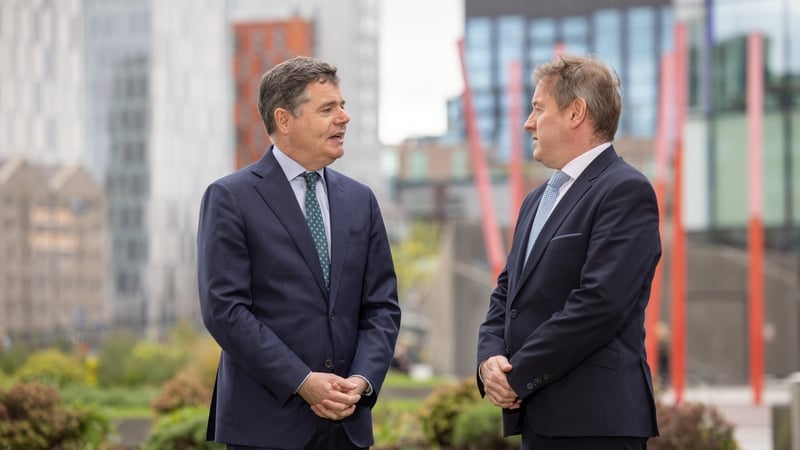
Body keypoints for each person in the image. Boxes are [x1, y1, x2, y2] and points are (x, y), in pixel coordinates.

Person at [197, 56, 401, 450]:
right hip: (265, 427)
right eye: (328, 109)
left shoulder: (361, 200)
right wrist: (302, 382)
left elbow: (382, 308)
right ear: (284, 120)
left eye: (342, 106)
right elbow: (224, 310)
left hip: (348, 424)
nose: (344, 118)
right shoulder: (230, 198)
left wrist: (361, 381)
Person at [476, 54, 661, 450]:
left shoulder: (625, 190)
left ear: (576, 113)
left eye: (538, 109)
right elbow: (507, 293)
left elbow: (599, 305)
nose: (528, 123)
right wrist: (489, 359)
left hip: (597, 423)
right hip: (541, 419)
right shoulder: (537, 199)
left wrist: (517, 375)